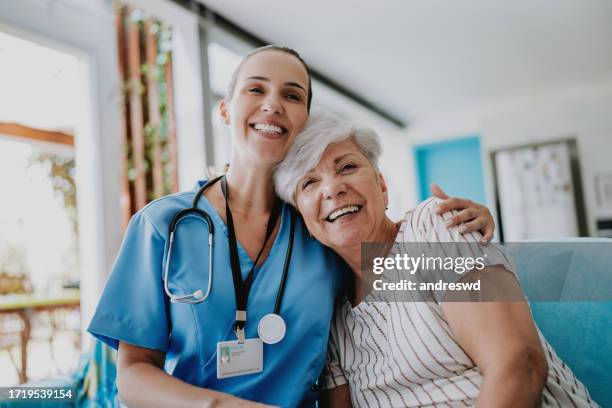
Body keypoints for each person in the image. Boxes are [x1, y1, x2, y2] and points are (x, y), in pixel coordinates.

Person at [88, 45, 497, 407]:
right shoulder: (162, 225)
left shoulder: (321, 227)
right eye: (255, 89)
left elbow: (394, 261)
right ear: (226, 109)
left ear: (303, 120)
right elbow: (133, 376)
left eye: (292, 95)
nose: (273, 104)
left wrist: (451, 226)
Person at [273, 112, 599, 407]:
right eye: (309, 182)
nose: (333, 188)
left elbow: (518, 366)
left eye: (347, 167)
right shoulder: (332, 315)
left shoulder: (431, 230)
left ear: (382, 186)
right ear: (303, 220)